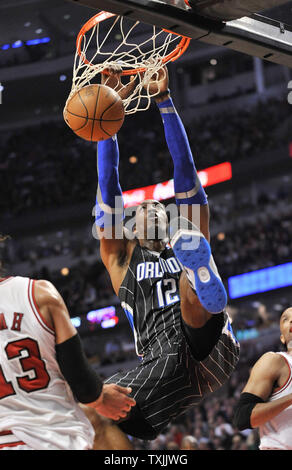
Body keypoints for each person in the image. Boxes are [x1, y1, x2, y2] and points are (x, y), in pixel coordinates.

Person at [93, 65, 240, 444]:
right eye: (144, 209)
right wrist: (108, 126)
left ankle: (203, 276)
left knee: (189, 267)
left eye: (160, 207)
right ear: (130, 227)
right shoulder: (121, 260)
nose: (154, 208)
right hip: (164, 370)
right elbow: (109, 183)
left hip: (209, 339)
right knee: (97, 411)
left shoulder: (184, 236)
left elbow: (186, 175)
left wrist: (165, 102)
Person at [0, 267, 136, 450]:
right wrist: (102, 398)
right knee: (98, 419)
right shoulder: (39, 293)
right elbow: (84, 386)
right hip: (55, 437)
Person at [233, 306, 292, 450]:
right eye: (286, 318)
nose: (291, 320)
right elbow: (242, 418)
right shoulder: (275, 361)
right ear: (282, 338)